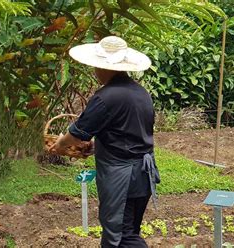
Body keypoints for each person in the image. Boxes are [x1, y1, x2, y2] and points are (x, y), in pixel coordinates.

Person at [50, 36, 160, 247]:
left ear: (106, 67)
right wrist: (95, 147)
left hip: (123, 177)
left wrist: (60, 145)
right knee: (128, 230)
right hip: (143, 175)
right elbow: (127, 134)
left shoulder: (106, 97)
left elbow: (77, 133)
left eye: (96, 66)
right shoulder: (141, 93)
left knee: (120, 238)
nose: (94, 71)